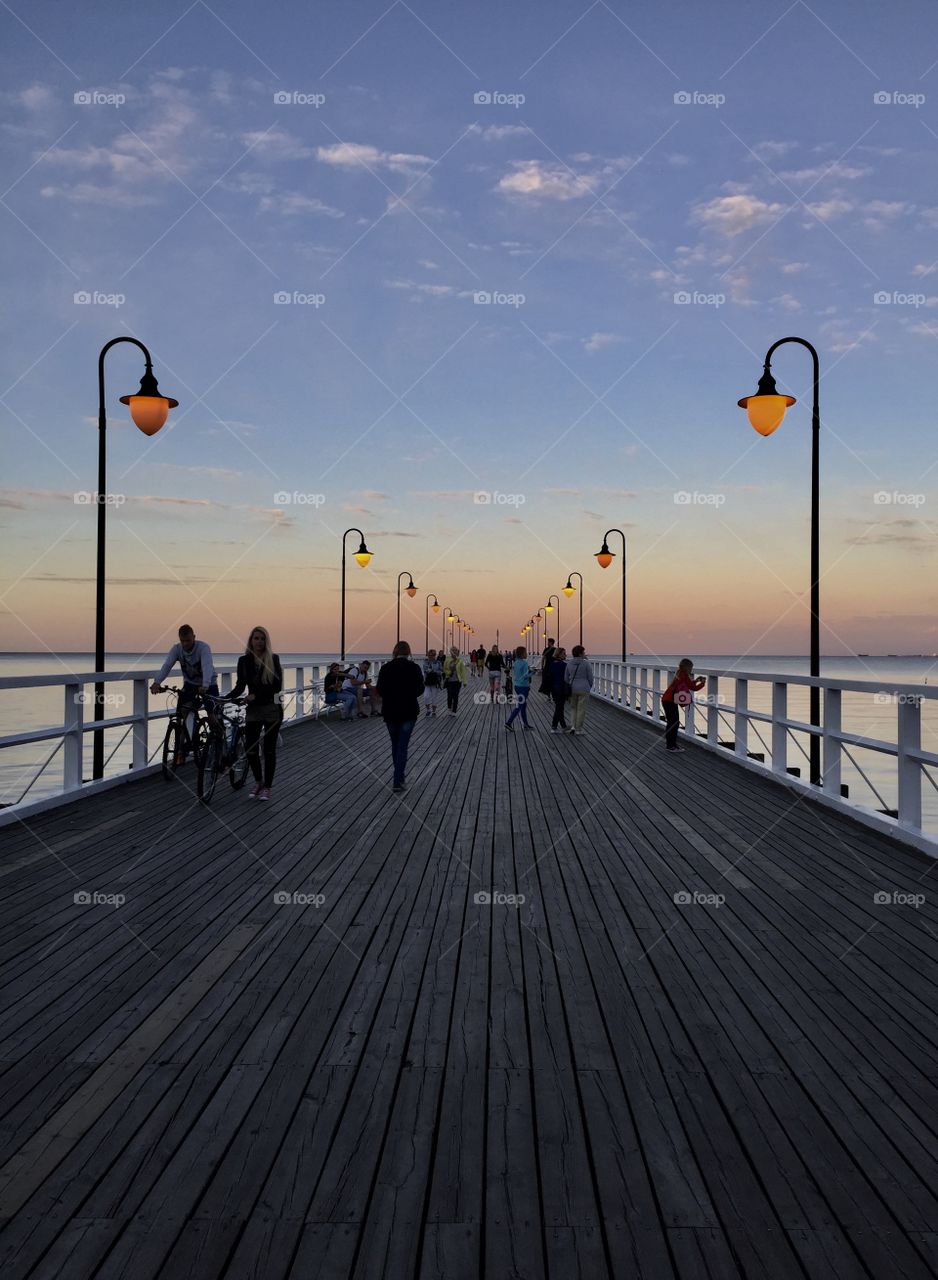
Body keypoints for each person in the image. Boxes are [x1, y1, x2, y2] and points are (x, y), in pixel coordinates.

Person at [228, 625, 284, 800]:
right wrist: (225, 697)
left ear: (266, 641)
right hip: (253, 710)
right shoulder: (243, 661)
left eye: (262, 638)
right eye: (256, 638)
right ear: (251, 641)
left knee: (268, 750)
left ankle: (268, 786)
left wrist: (255, 695)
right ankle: (259, 781)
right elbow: (240, 686)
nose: (259, 641)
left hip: (271, 709)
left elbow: (276, 686)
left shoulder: (273, 659)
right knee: (250, 749)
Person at [150, 624, 219, 763]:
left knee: (212, 714)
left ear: (194, 637)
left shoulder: (203, 648)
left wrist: (205, 685)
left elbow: (206, 666)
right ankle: (180, 751)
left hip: (208, 683)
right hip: (190, 684)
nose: (185, 644)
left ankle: (218, 744)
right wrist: (157, 682)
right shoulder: (177, 649)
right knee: (182, 714)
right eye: (182, 641)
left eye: (188, 640)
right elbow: (167, 665)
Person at [376, 641, 425, 793]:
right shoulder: (414, 667)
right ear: (408, 652)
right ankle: (398, 780)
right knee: (402, 746)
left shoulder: (385, 668)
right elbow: (420, 689)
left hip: (390, 711)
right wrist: (408, 695)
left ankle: (399, 777)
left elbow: (380, 689)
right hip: (408, 711)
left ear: (395, 651)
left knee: (395, 745)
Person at [661, 658, 706, 753]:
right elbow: (692, 687)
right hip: (670, 701)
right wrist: (702, 683)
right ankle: (671, 745)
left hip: (667, 699)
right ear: (687, 667)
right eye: (690, 668)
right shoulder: (683, 675)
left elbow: (686, 684)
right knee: (674, 723)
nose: (691, 670)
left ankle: (671, 744)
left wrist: (696, 680)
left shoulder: (679, 673)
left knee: (672, 722)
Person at [565, 645, 594, 736]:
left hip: (573, 688)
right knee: (581, 709)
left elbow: (566, 677)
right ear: (580, 653)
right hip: (584, 688)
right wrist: (589, 686)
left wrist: (570, 684)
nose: (584, 653)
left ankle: (573, 726)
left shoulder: (569, 663)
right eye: (583, 652)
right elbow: (590, 677)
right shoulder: (586, 664)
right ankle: (578, 729)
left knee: (573, 708)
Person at [505, 646, 532, 730]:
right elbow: (525, 676)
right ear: (522, 654)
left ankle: (526, 724)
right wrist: (533, 673)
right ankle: (508, 723)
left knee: (523, 705)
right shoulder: (525, 663)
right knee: (520, 705)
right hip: (524, 687)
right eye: (525, 652)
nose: (526, 654)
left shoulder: (515, 662)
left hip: (517, 686)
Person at [549, 647, 569, 733]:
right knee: (559, 708)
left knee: (559, 707)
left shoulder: (552, 664)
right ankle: (553, 727)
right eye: (564, 653)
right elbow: (567, 678)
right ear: (559, 654)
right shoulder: (564, 665)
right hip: (561, 688)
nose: (565, 655)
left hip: (554, 688)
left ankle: (563, 726)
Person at [443, 646, 467, 714]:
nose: (454, 652)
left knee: (455, 696)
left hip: (457, 681)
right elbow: (444, 669)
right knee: (450, 695)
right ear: (450, 652)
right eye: (453, 650)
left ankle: (454, 711)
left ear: (457, 652)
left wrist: (464, 681)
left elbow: (463, 672)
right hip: (449, 681)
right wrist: (449, 672)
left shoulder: (460, 661)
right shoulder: (447, 659)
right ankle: (449, 707)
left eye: (455, 650)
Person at [423, 648, 444, 717]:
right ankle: (428, 710)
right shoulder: (426, 661)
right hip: (427, 682)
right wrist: (431, 670)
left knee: (434, 697)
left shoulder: (438, 662)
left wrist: (434, 671)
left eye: (432, 655)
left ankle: (434, 711)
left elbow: (441, 671)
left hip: (435, 682)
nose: (430, 656)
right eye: (429, 655)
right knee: (426, 696)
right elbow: (425, 669)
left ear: (435, 655)